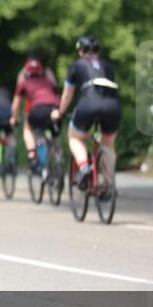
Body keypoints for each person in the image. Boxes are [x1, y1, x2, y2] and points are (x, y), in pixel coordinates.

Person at [54, 36, 121, 192]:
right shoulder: (108, 66)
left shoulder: (77, 65)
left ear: (81, 51)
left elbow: (67, 95)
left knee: (75, 137)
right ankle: (109, 183)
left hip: (88, 104)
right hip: (112, 106)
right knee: (108, 144)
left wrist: (60, 112)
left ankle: (84, 167)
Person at [11, 56, 61, 173]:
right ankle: (57, 161)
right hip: (55, 110)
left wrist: (13, 118)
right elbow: (57, 94)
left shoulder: (24, 83)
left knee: (28, 128)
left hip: (38, 110)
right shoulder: (49, 82)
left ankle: (32, 154)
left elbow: (16, 103)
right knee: (54, 137)